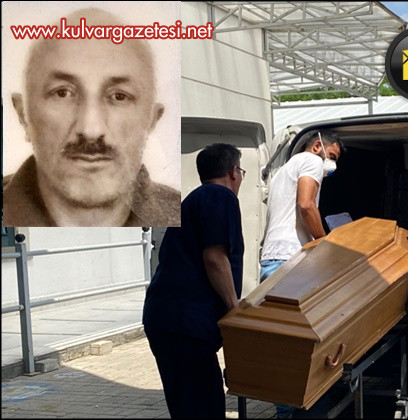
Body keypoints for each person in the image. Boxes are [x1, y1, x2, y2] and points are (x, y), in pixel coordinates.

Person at [3, 7, 180, 227]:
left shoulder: (180, 211)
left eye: (119, 96)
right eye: (62, 93)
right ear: (23, 115)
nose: (91, 129)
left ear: (152, 119)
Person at [142, 143, 244, 418]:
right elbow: (215, 258)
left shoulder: (193, 200)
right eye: (241, 172)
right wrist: (234, 307)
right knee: (203, 407)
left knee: (187, 405)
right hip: (186, 323)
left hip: (167, 318)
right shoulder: (221, 197)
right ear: (233, 172)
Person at [259, 130, 343, 418]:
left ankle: (285, 411)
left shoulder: (283, 170)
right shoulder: (311, 162)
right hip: (292, 260)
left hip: (272, 259)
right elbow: (306, 205)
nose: (331, 164)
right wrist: (324, 242)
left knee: (281, 346)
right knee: (303, 345)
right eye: (332, 156)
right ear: (318, 146)